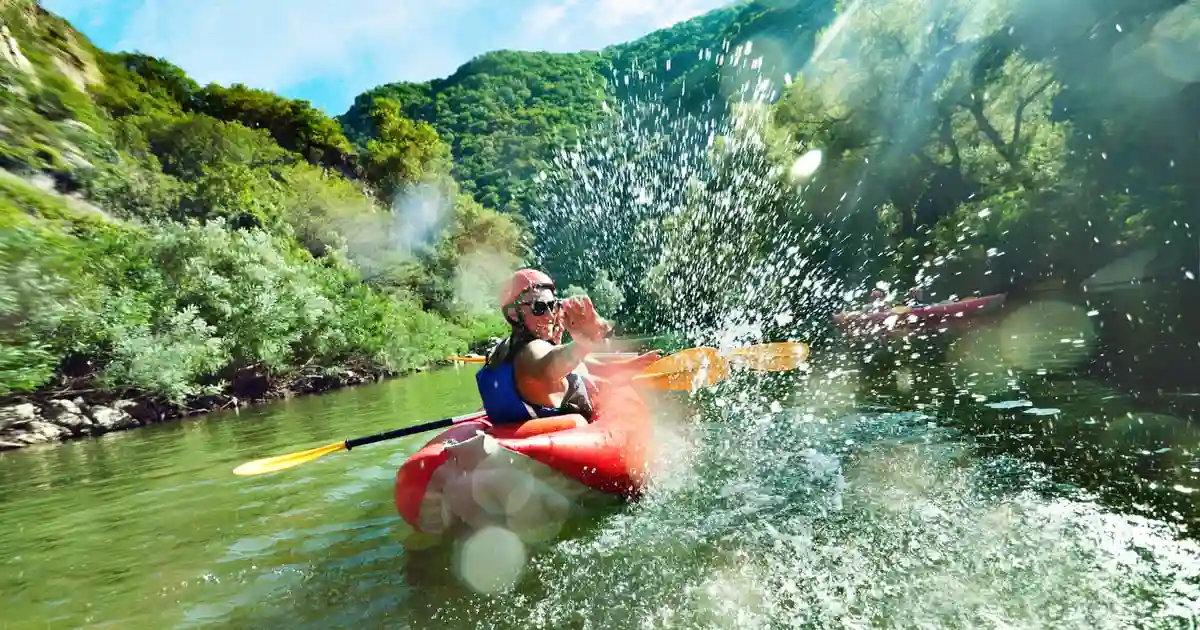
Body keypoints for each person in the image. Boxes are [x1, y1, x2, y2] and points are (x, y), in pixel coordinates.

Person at [476, 269, 662, 425]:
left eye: (553, 306)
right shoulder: (531, 352)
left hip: (523, 431)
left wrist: (631, 364)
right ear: (514, 314)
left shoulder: (506, 348)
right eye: (539, 307)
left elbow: (579, 363)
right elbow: (549, 366)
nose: (549, 316)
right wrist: (585, 342)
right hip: (557, 454)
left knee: (592, 378)